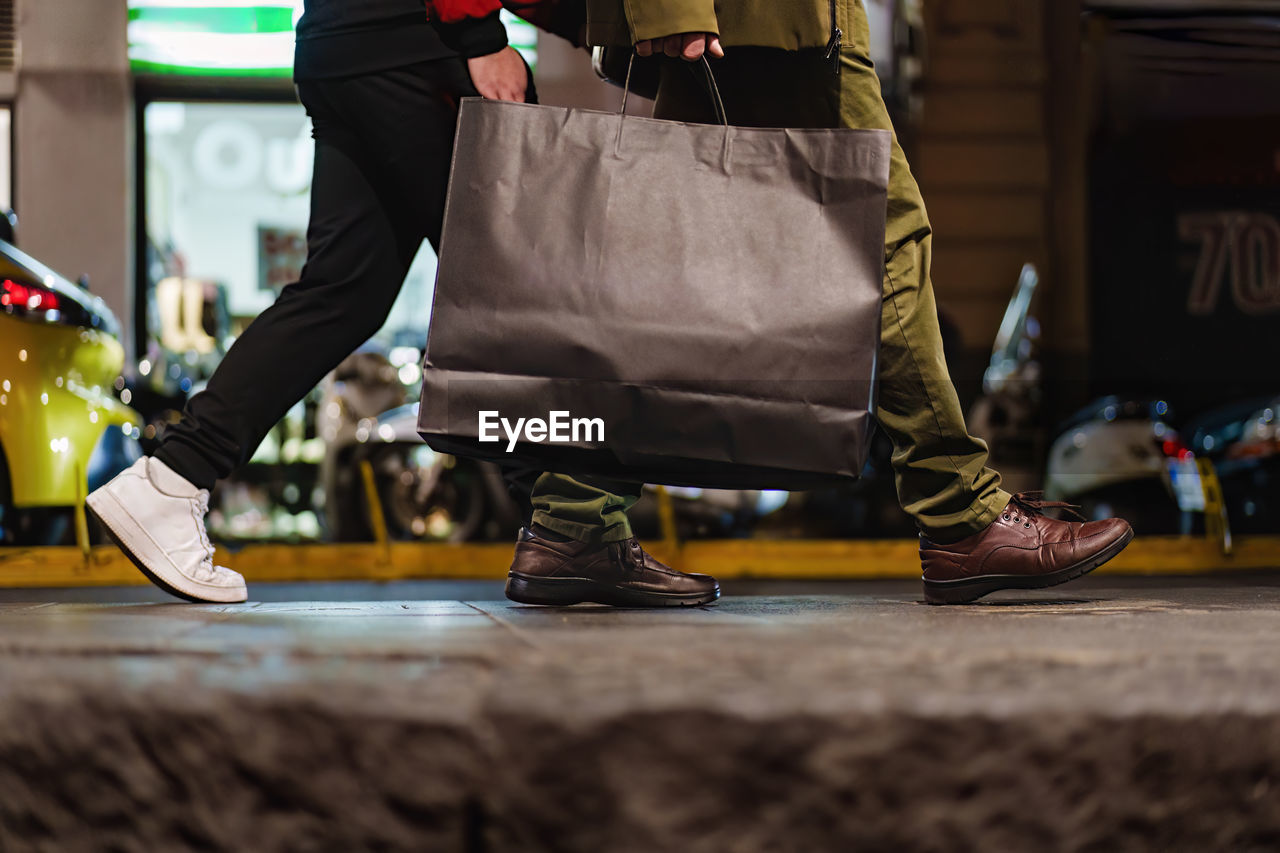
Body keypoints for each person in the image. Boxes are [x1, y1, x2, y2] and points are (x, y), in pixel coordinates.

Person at [87, 0, 721, 608]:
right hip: (421, 43)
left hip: (348, 44)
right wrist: (481, 37)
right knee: (521, 295)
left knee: (347, 292)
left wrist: (607, 23)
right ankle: (573, 537)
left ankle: (172, 478)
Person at [507, 0, 1134, 606]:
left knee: (678, 258)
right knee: (879, 235)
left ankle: (572, 520)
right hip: (761, 18)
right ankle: (958, 512)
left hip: (772, 18)